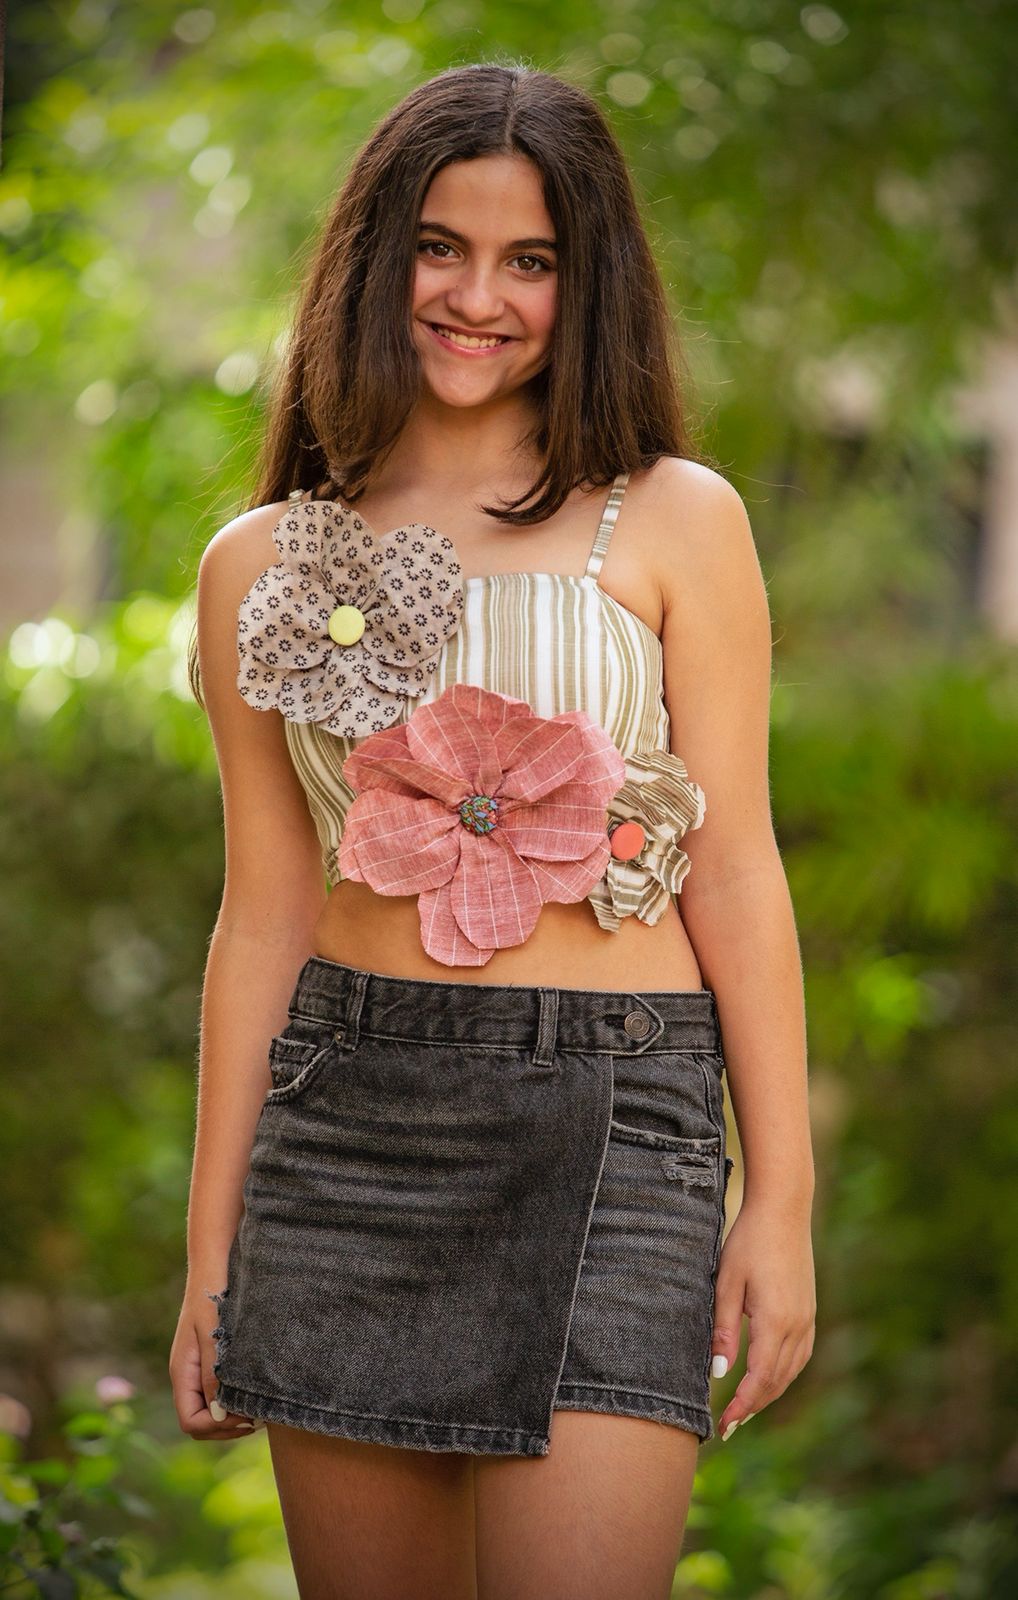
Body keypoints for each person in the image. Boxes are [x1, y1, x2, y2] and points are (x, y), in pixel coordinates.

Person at [169, 61, 816, 1600]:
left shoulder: (673, 516)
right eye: (439, 247)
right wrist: (210, 1255)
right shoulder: (260, 557)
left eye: (530, 260)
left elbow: (733, 863)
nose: (479, 296)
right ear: (373, 256)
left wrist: (777, 1198)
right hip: (347, 1136)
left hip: (621, 1129)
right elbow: (261, 909)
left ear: (585, 284)